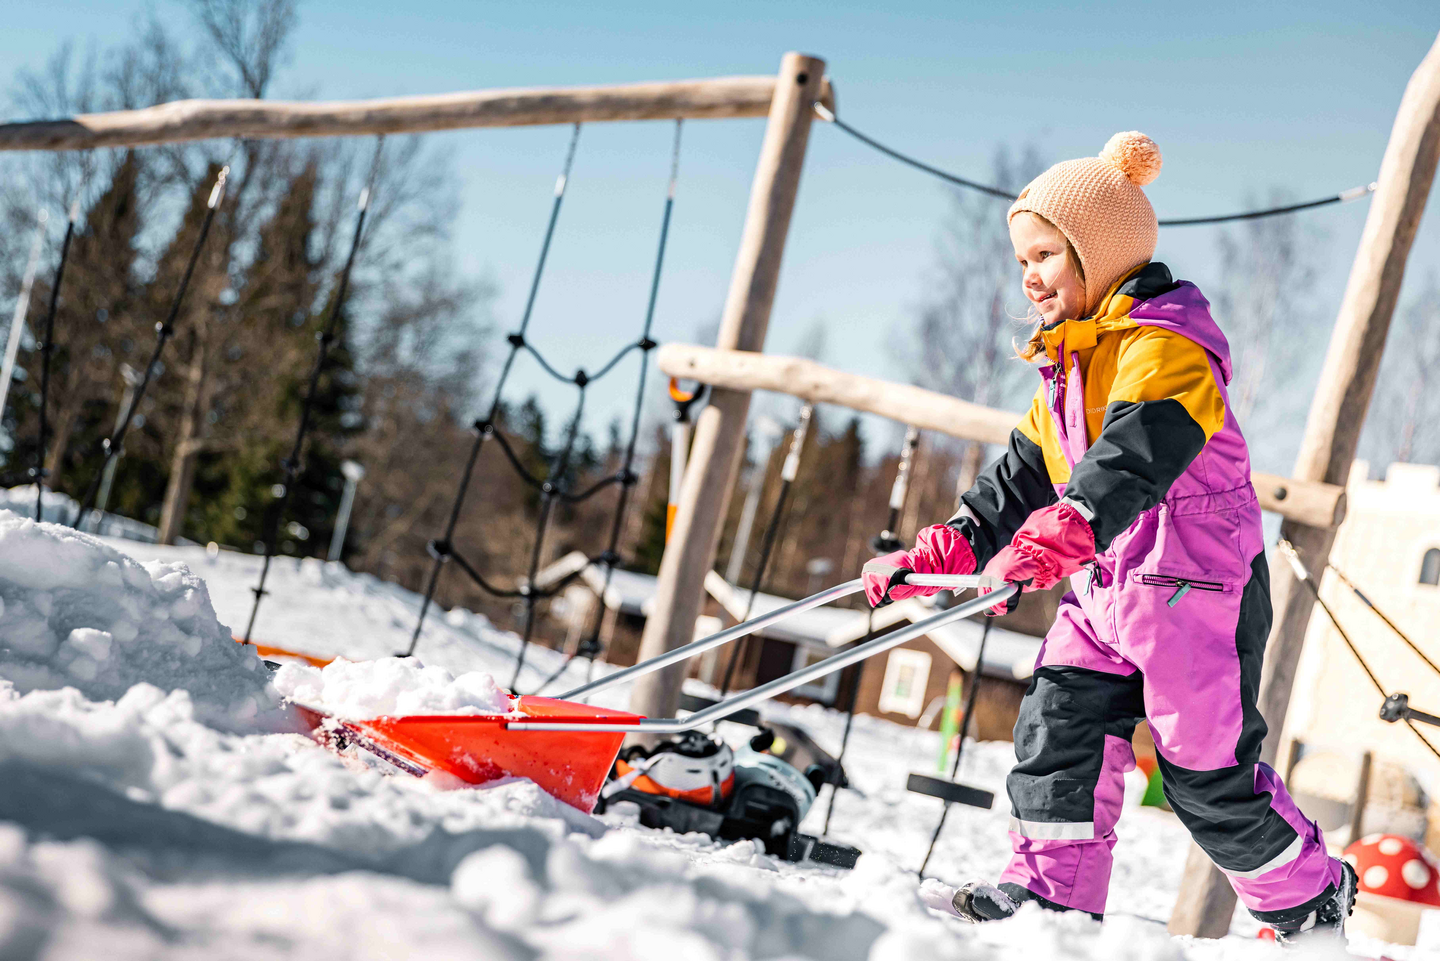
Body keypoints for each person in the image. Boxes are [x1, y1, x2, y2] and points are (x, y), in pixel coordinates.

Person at [861, 132, 1354, 943]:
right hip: (1103, 589)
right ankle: (1050, 894)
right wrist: (955, 543)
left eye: (1046, 254)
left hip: (1197, 591)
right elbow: (1022, 472)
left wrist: (1072, 522)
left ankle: (1310, 899)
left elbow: (1138, 450)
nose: (1029, 275)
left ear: (1101, 254)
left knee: (1203, 775)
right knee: (1060, 725)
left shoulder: (1169, 345)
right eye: (1023, 259)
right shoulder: (1068, 366)